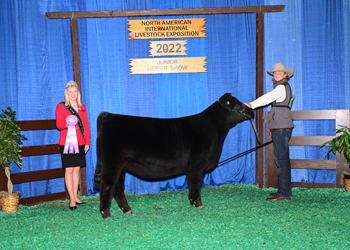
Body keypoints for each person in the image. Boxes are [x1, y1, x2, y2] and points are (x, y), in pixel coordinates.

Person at [245, 63, 294, 201]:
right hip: (281, 126)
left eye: (280, 72)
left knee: (282, 160)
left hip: (281, 127)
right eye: (275, 72)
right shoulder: (283, 87)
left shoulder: (281, 87)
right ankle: (284, 191)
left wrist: (251, 105)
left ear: (285, 75)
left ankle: (284, 194)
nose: (277, 74)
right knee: (281, 160)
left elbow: (267, 98)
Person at [56, 80, 91, 210]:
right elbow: (58, 125)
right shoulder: (62, 106)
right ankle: (71, 199)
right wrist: (68, 123)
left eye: (75, 91)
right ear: (67, 93)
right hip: (67, 142)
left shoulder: (82, 106)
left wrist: (87, 141)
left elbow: (86, 126)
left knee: (77, 169)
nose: (73, 94)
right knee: (69, 169)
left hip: (80, 142)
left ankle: (76, 196)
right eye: (70, 92)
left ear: (78, 93)